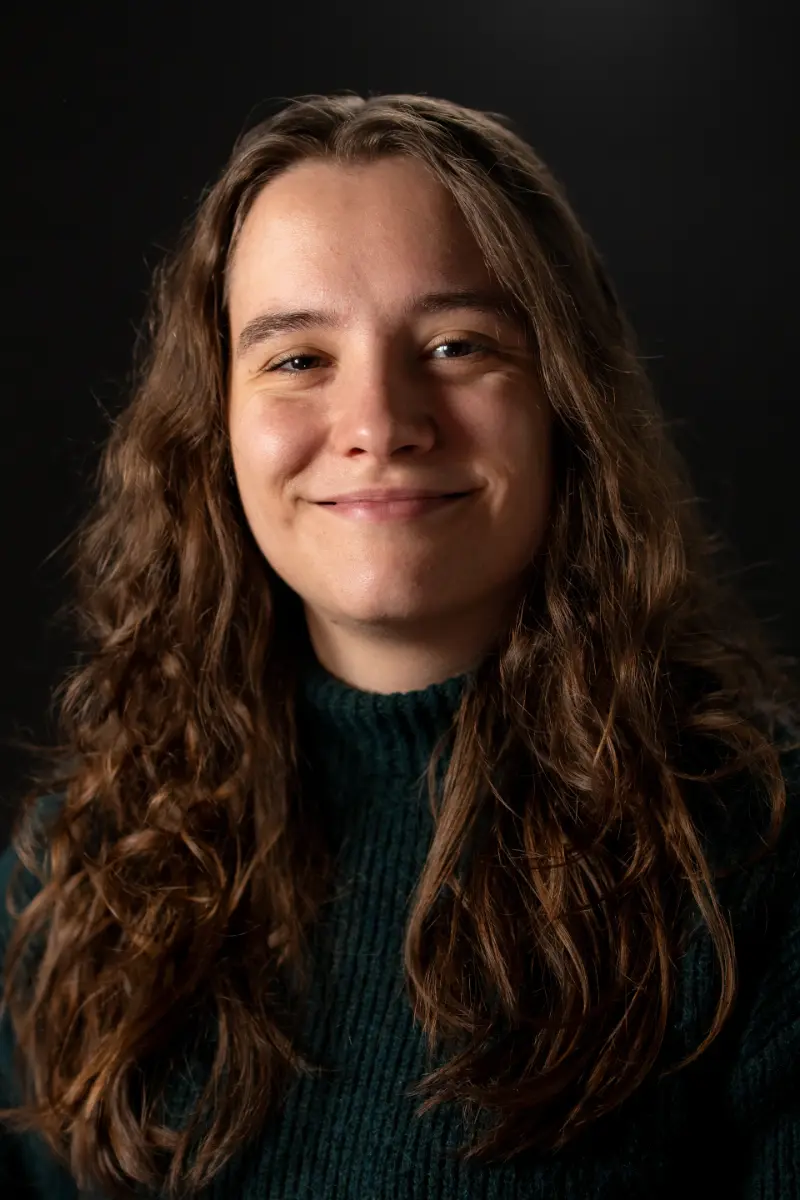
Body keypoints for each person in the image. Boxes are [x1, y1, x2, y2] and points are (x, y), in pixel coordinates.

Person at [1, 90, 799, 1200]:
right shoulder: (80, 863)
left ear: (566, 401)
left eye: (455, 344)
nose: (378, 419)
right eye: (295, 359)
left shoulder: (759, 850)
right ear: (211, 424)